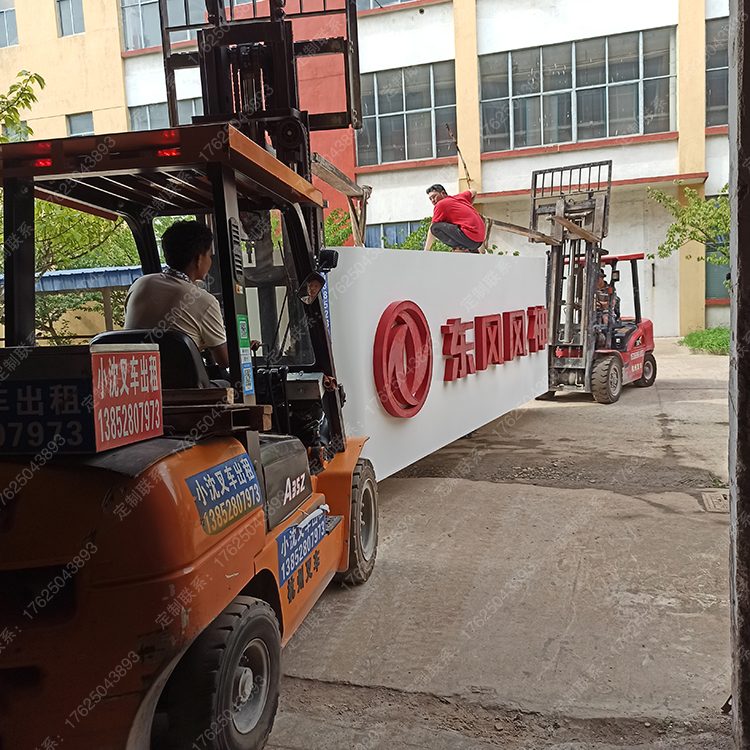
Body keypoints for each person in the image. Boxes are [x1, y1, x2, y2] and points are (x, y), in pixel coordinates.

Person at [124, 220, 231, 369]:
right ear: (199, 259)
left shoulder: (139, 285)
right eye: (209, 256)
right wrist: (242, 349)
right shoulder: (204, 300)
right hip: (182, 382)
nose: (210, 261)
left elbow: (156, 342)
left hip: (136, 377)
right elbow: (226, 361)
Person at [423, 184, 486, 253]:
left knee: (435, 227)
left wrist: (426, 251)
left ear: (443, 193)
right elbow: (474, 191)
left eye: (434, 196)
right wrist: (468, 206)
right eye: (430, 199)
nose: (433, 200)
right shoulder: (460, 197)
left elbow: (431, 229)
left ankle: (460, 248)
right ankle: (471, 249)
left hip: (469, 238)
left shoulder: (440, 204)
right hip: (479, 240)